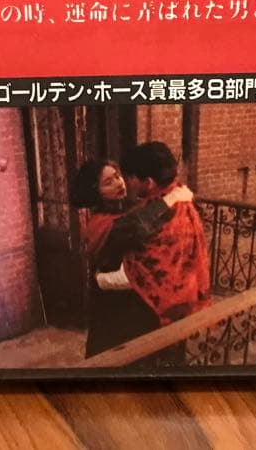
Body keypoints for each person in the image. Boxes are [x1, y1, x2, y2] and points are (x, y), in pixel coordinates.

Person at [70, 158, 193, 357]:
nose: (118, 183)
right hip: (117, 308)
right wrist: (170, 200)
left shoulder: (131, 208)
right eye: (108, 182)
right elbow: (134, 226)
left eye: (117, 176)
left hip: (142, 301)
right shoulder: (100, 224)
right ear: (96, 192)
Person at [115, 141, 211, 364]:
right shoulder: (181, 196)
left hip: (156, 304)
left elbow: (123, 232)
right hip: (184, 295)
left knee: (151, 358)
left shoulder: (158, 211)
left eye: (129, 177)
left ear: (148, 182)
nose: (125, 183)